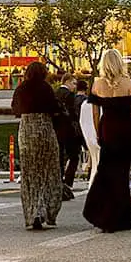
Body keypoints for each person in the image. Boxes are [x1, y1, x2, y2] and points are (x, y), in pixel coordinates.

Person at [82, 49, 131, 233]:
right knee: (121, 174)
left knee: (106, 174)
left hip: (108, 129)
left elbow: (95, 112)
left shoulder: (97, 85)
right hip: (125, 131)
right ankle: (123, 218)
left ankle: (103, 214)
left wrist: (98, 132)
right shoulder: (129, 84)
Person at [11, 61, 63, 230]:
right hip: (44, 129)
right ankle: (47, 210)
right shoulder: (46, 88)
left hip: (27, 131)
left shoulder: (21, 89)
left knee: (29, 173)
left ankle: (32, 212)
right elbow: (55, 108)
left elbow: (15, 110)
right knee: (49, 171)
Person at [54, 73, 83, 201]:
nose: (75, 87)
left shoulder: (55, 94)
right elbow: (74, 114)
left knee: (59, 158)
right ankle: (67, 183)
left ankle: (59, 184)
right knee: (74, 157)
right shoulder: (70, 96)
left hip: (57, 131)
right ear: (67, 81)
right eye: (73, 83)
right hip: (70, 131)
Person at [77, 79, 99, 188]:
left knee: (95, 163)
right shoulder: (97, 104)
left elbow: (82, 121)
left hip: (89, 137)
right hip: (99, 136)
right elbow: (96, 116)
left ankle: (93, 186)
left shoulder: (85, 104)